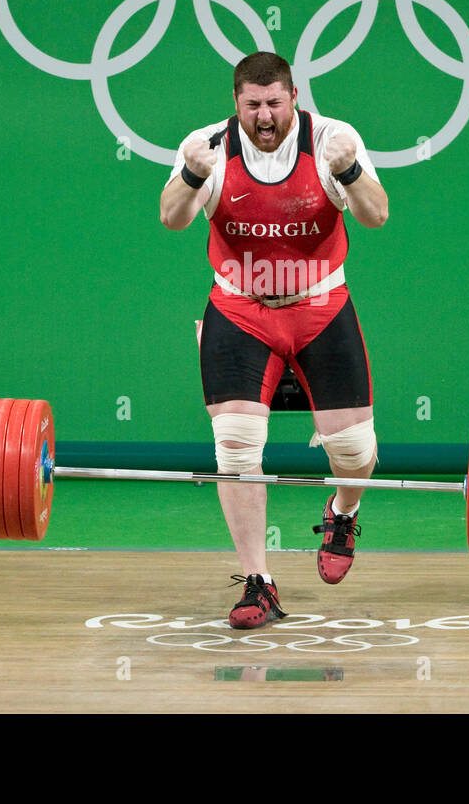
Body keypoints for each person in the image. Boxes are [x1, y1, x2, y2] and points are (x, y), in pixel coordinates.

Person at [159, 51, 388, 628]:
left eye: (274, 104)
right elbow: (172, 218)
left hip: (320, 307)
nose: (264, 117)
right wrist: (189, 173)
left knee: (356, 451)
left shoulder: (335, 140)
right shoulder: (205, 148)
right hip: (240, 310)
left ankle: (342, 512)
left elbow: (377, 215)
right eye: (252, 105)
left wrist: (351, 171)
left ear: (294, 98)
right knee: (235, 445)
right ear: (235, 104)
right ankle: (258, 582)